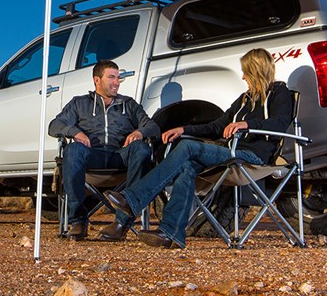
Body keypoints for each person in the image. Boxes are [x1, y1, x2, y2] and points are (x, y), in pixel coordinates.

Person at [104, 48, 292, 249]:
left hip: (252, 156)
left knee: (187, 147)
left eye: (246, 72)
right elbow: (216, 127)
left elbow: (280, 123)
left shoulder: (280, 93)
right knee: (187, 167)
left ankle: (134, 199)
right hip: (232, 153)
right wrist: (183, 129)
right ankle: (171, 232)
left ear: (256, 70)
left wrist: (248, 124)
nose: (243, 76)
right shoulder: (244, 99)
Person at [48, 59, 160, 241]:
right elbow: (54, 125)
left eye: (118, 78)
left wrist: (139, 132)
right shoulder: (79, 103)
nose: (116, 82)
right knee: (72, 150)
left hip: (121, 156)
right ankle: (78, 221)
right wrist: (75, 132)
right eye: (111, 77)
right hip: (92, 156)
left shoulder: (128, 104)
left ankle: (121, 223)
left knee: (142, 149)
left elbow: (153, 127)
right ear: (97, 80)